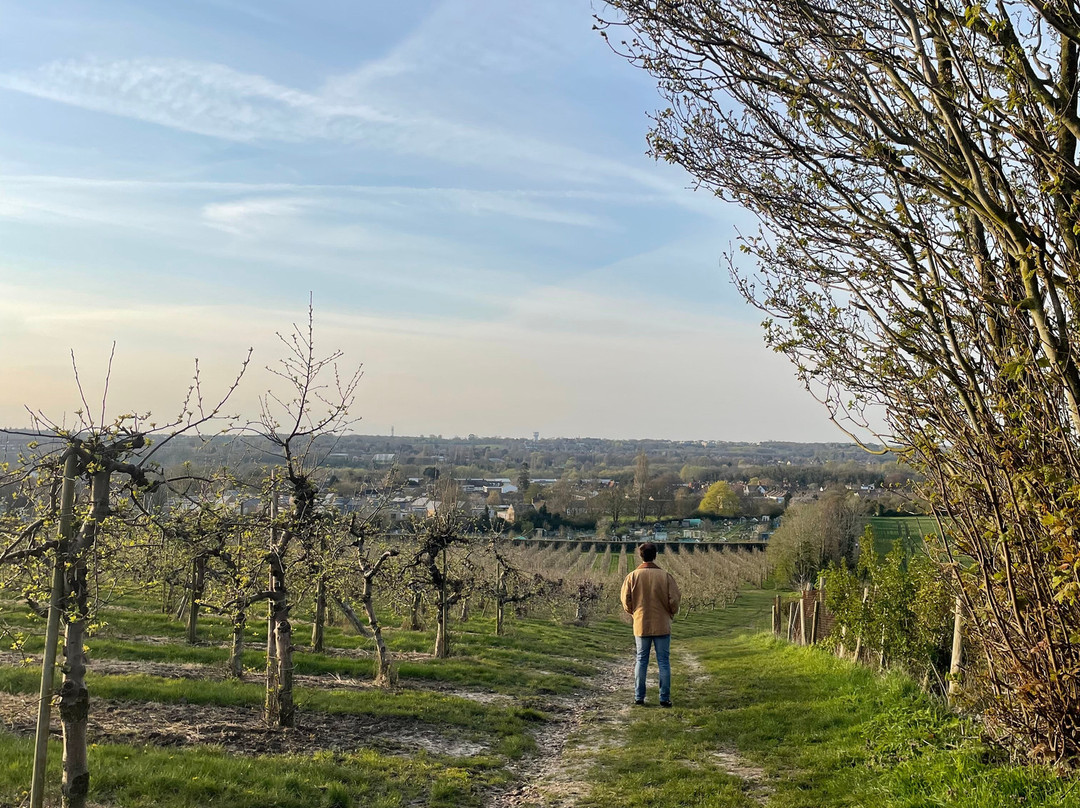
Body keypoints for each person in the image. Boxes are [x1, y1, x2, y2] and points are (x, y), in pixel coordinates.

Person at [620, 542, 682, 707]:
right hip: (662, 623)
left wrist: (634, 612)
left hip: (641, 623)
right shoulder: (665, 576)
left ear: (641, 556)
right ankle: (664, 697)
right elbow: (674, 600)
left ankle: (639, 696)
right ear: (655, 555)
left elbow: (626, 600)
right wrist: (670, 612)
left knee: (641, 659)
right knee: (663, 661)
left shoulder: (632, 576)